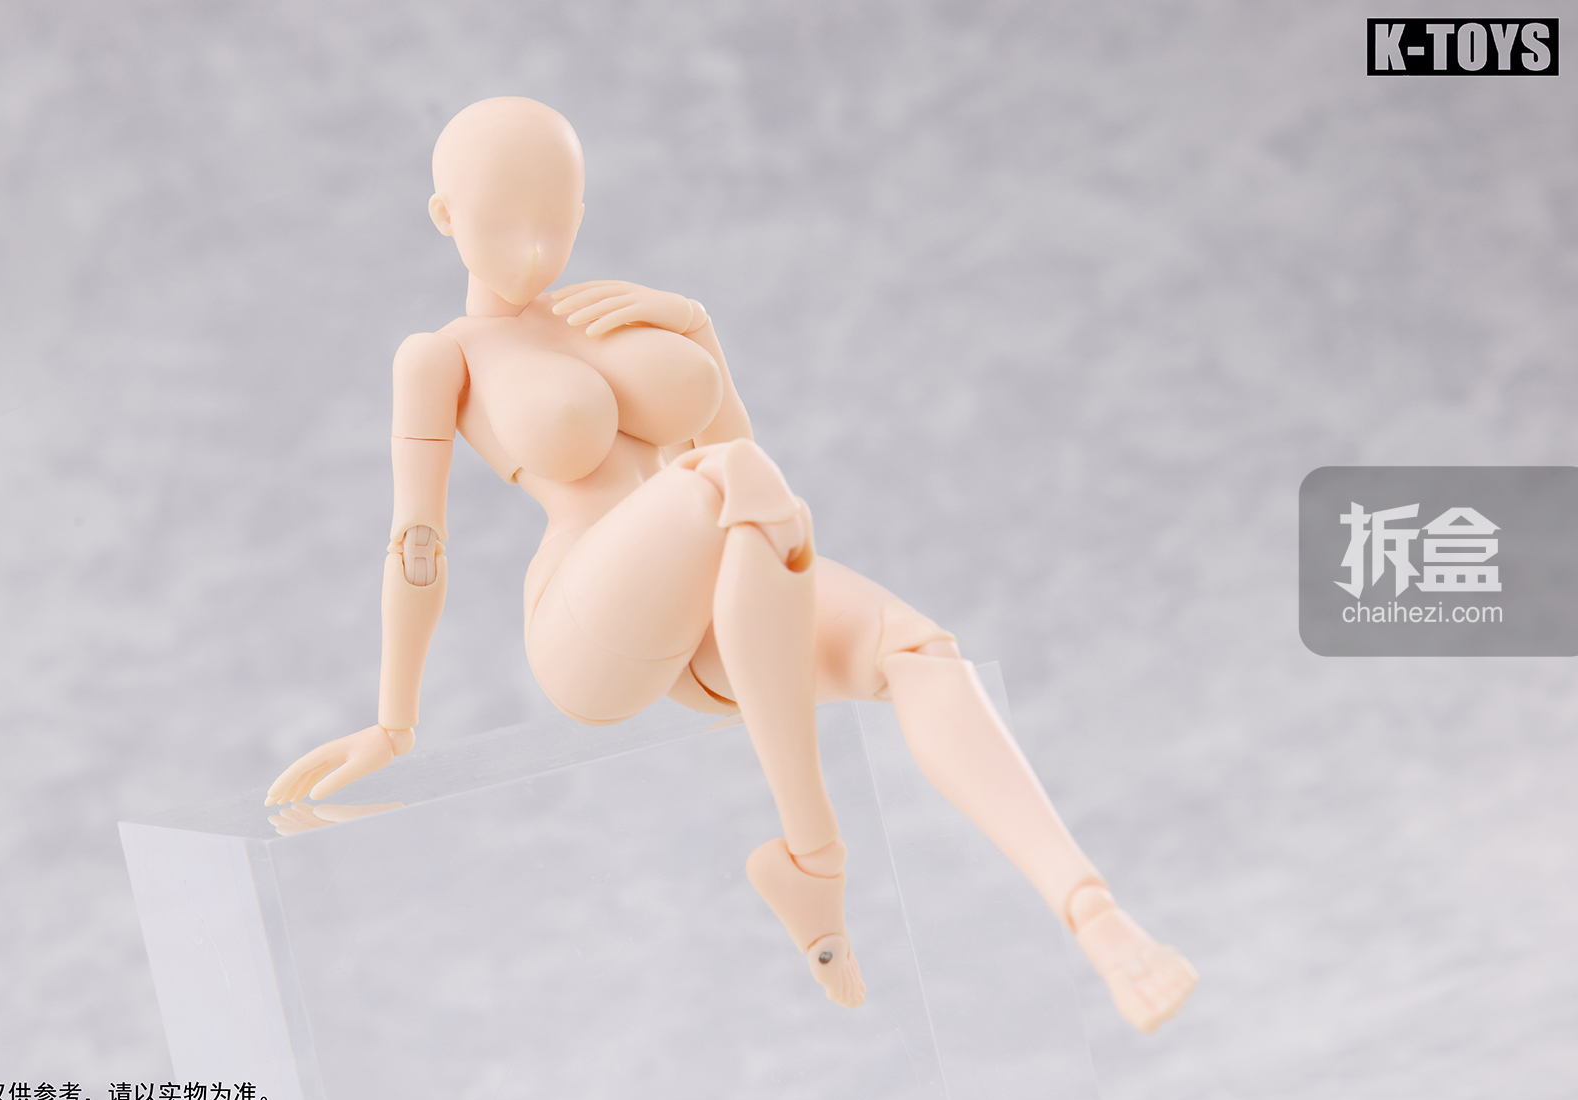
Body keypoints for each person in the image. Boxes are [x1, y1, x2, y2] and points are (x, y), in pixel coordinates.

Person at [266, 97, 1196, 1030]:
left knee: (918, 648)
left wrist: (697, 328)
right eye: (506, 223)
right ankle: (814, 852)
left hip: (722, 588)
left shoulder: (609, 315)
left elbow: (749, 467)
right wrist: (393, 723)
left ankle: (1097, 919)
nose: (536, 249)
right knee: (728, 482)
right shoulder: (441, 356)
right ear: (445, 216)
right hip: (587, 623)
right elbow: (417, 542)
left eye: (556, 219)